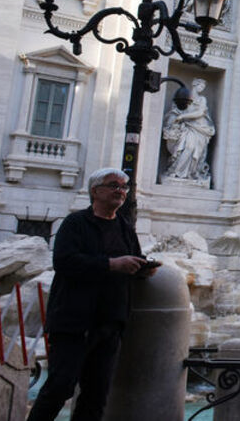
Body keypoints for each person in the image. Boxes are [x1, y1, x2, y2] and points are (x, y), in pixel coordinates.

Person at [27, 168, 155, 421]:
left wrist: (142, 269)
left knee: (96, 395)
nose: (121, 191)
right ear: (95, 191)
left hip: (110, 322)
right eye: (114, 185)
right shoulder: (75, 224)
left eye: (124, 187)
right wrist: (111, 264)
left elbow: (135, 256)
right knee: (59, 388)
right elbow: (64, 262)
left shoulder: (124, 226)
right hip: (74, 322)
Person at [162, 78, 214, 182]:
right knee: (184, 148)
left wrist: (183, 116)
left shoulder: (202, 99)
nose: (201, 89)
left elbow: (199, 113)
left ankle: (190, 173)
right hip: (186, 126)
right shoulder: (183, 96)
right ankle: (176, 172)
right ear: (195, 85)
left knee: (194, 150)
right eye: (200, 86)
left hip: (199, 128)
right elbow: (176, 110)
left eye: (203, 87)